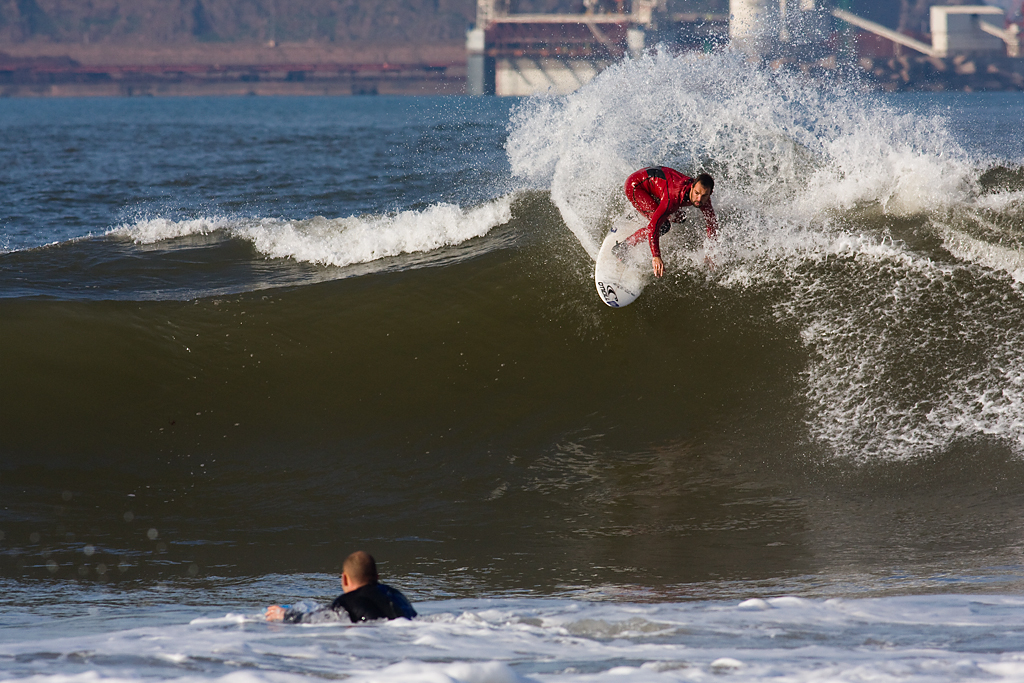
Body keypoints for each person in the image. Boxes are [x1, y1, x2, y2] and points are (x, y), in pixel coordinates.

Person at [265, 551, 417, 624]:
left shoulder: (345, 602)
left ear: (344, 578)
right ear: (377, 577)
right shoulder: (397, 595)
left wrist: (285, 615)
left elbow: (313, 620)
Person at [622, 167, 718, 277]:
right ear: (692, 187)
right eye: (696, 193)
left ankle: (646, 210)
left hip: (656, 183)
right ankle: (624, 247)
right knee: (663, 226)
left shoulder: (703, 198)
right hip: (636, 186)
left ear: (710, 193)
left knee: (680, 217)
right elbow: (653, 227)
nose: (699, 199)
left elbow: (712, 223)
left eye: (704, 195)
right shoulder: (674, 197)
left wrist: (710, 252)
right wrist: (656, 256)